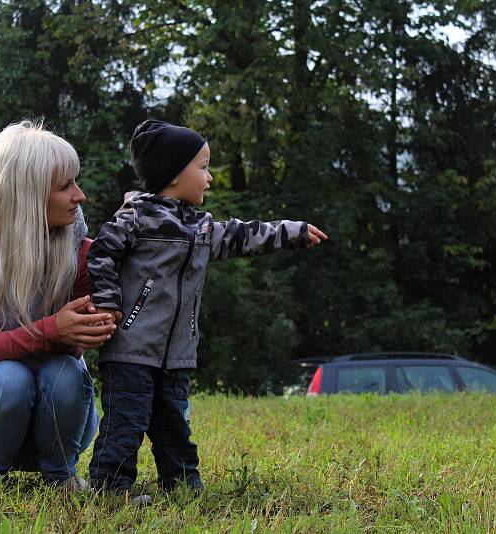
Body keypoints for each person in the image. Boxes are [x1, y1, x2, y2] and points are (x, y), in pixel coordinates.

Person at [86, 119, 328, 499]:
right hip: (131, 349)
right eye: (202, 168)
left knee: (174, 425)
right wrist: (109, 302)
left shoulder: (202, 228)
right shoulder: (135, 219)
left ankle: (181, 486)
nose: (210, 177)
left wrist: (292, 231)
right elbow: (101, 254)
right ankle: (109, 488)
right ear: (172, 174)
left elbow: (246, 235)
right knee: (126, 421)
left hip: (177, 354)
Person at [0, 120, 117, 497]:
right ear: (28, 194)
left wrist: (105, 320)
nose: (80, 195)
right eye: (65, 186)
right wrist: (54, 329)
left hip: (58, 426)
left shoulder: (80, 249)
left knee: (66, 372)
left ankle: (63, 478)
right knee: (9, 378)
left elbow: (76, 344)